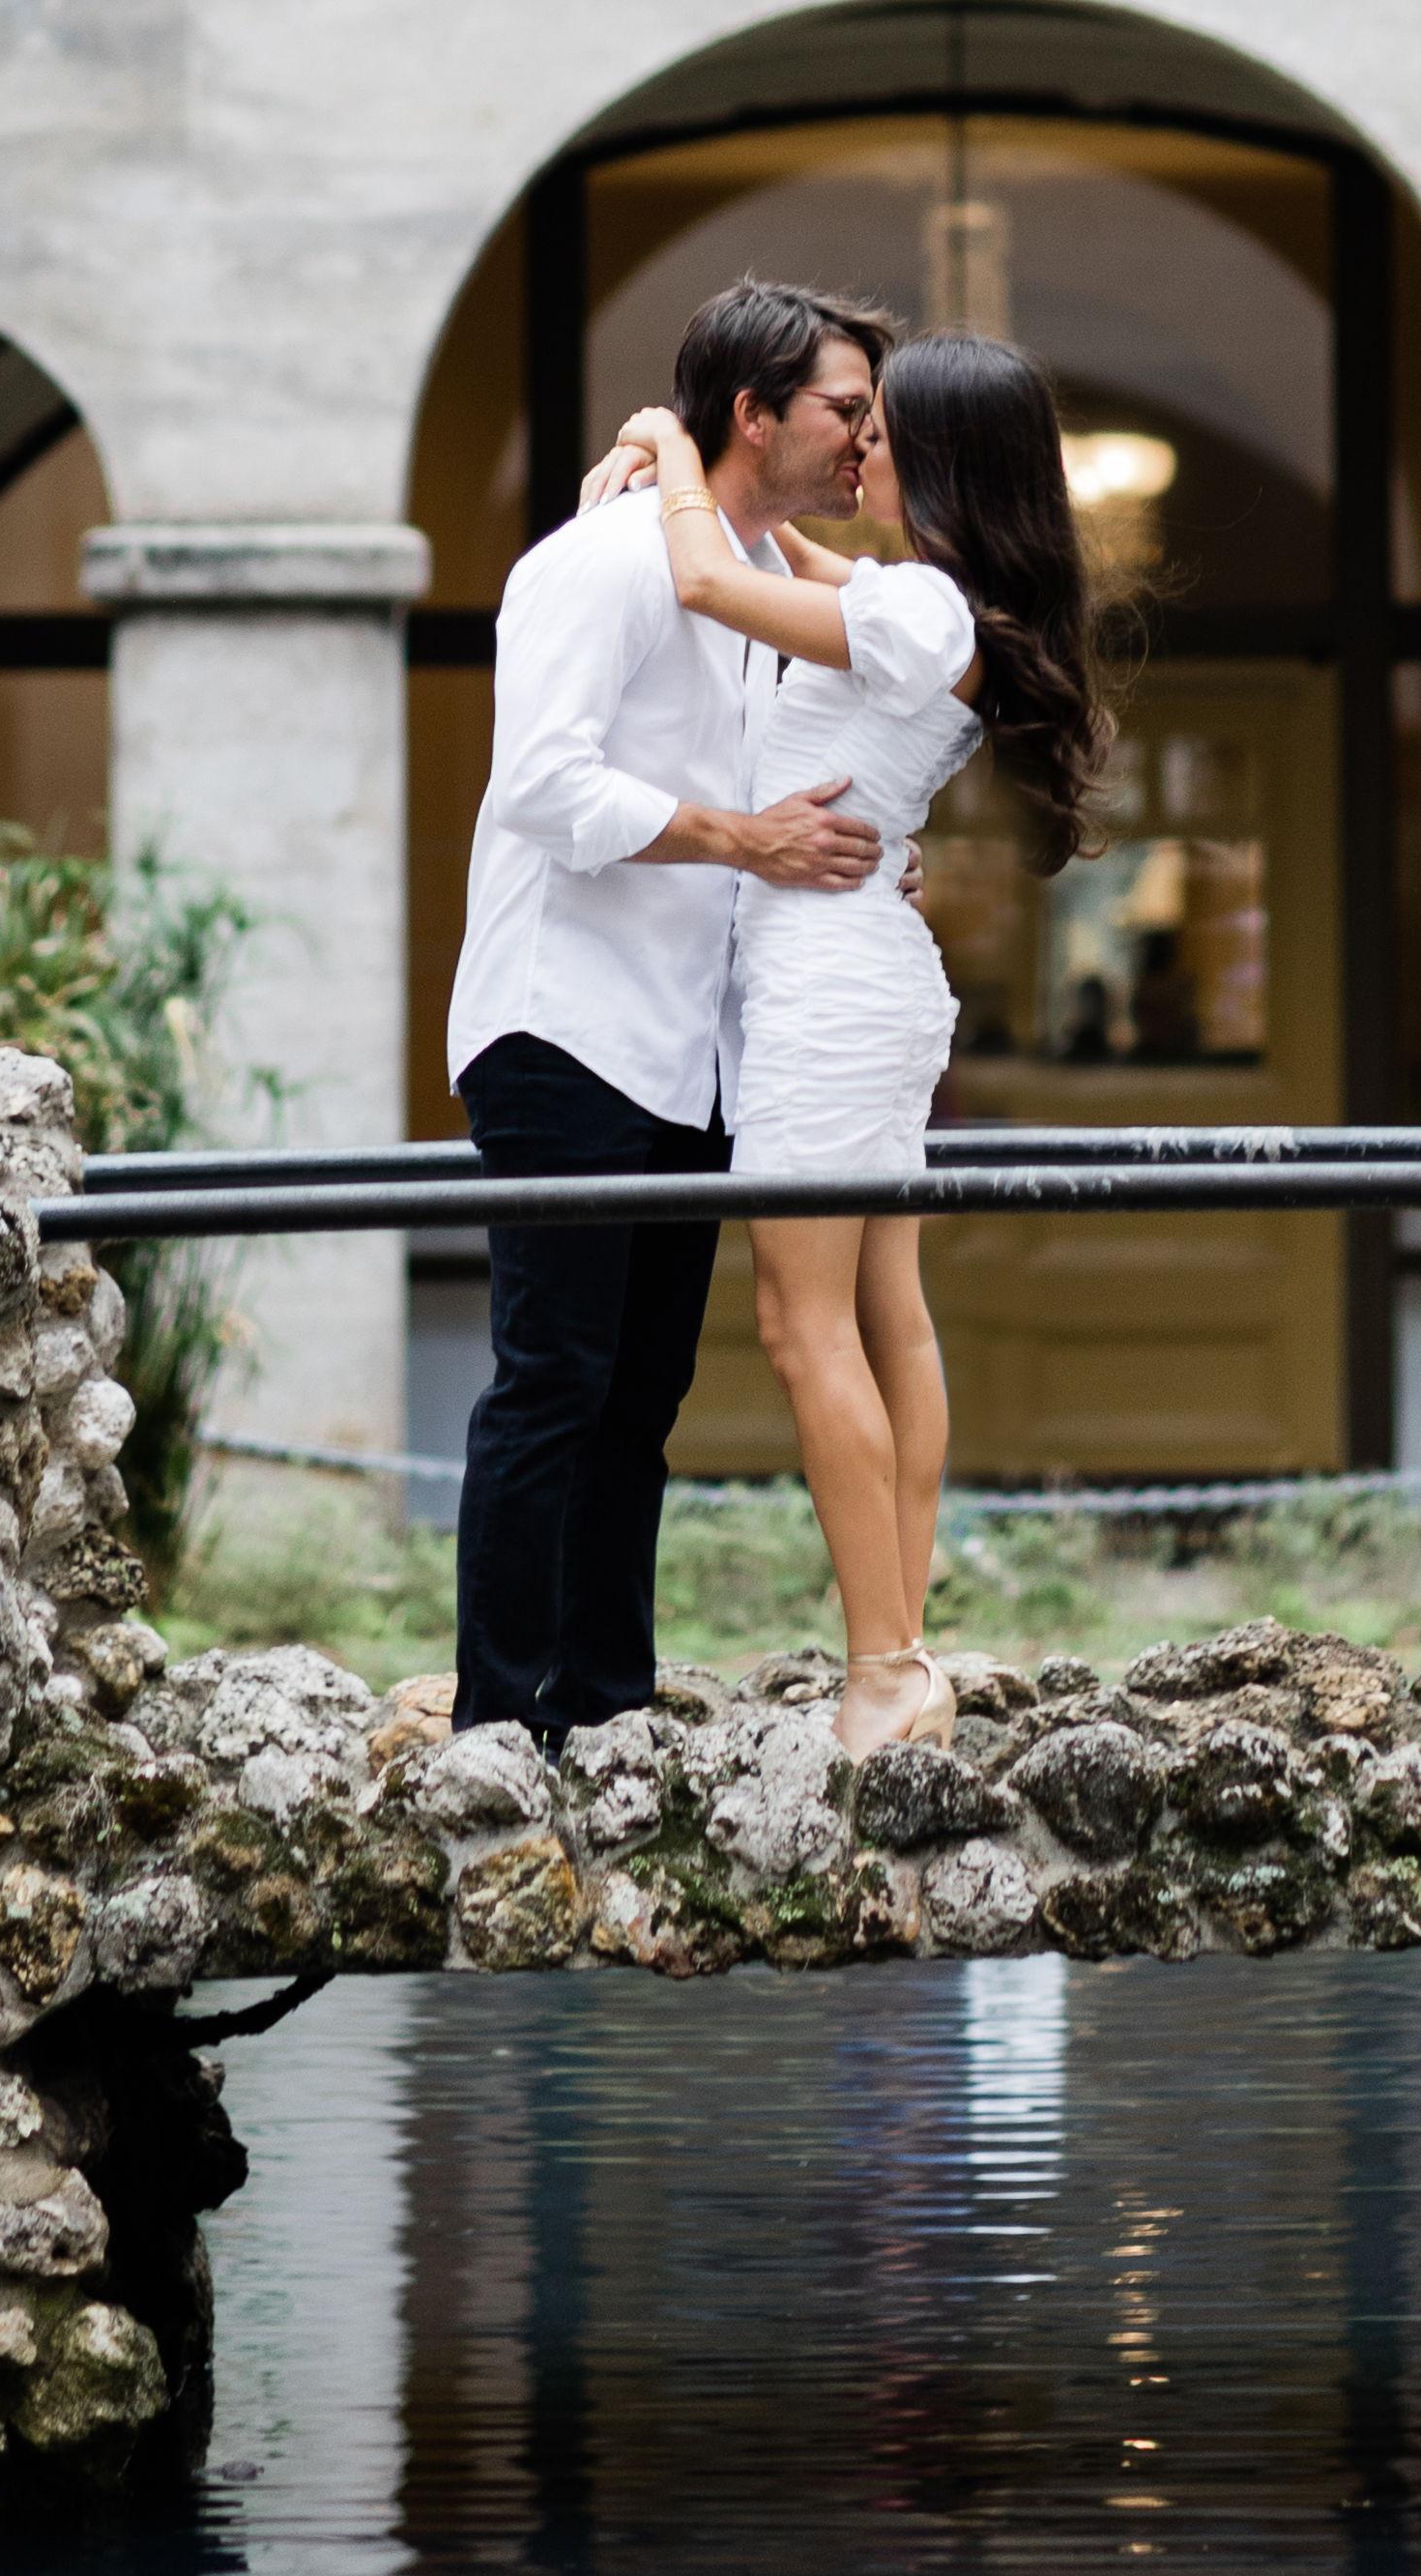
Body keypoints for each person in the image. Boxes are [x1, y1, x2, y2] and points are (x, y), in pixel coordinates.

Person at [594, 329, 1121, 1761]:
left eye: (881, 429)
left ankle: (885, 1666)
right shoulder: (927, 602)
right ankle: (901, 1644)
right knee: (888, 1314)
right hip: (857, 974)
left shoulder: (924, 613)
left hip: (829, 992)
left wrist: (668, 435)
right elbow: (786, 562)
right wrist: (697, 469)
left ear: (939, 456)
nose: (858, 446)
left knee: (804, 1322)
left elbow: (710, 580)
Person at [404, 280, 895, 1751]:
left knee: (642, 1396)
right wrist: (749, 838)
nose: (864, 439)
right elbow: (542, 787)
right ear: (753, 414)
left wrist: (847, 855)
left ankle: (607, 1709)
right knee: (552, 1382)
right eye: (844, 410)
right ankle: (500, 1731)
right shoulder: (603, 559)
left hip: (692, 1047)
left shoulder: (746, 573)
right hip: (563, 1027)